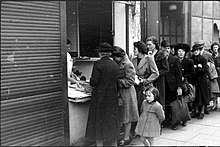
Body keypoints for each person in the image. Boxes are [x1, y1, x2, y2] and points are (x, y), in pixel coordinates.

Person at [85, 42, 120, 146]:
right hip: (112, 98)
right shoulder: (115, 64)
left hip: (100, 98)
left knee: (98, 124)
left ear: (100, 53)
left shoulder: (98, 64)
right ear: (109, 53)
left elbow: (94, 82)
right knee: (111, 122)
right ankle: (114, 144)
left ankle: (99, 145)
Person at [111, 46, 139, 146]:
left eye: (115, 57)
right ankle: (123, 136)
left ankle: (126, 138)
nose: (113, 59)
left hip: (127, 93)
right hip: (120, 92)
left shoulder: (128, 64)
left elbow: (130, 81)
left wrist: (117, 82)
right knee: (121, 116)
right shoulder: (118, 63)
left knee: (127, 117)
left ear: (120, 56)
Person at [174, 43, 196, 126]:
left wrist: (184, 77)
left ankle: (184, 118)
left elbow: (193, 73)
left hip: (185, 84)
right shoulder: (174, 61)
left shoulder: (189, 62)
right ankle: (177, 118)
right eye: (179, 51)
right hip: (176, 83)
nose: (180, 53)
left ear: (185, 52)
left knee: (184, 101)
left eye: (182, 51)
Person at [145, 36, 169, 111]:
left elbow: (166, 69)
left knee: (159, 99)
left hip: (159, 81)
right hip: (149, 80)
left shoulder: (161, 54)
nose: (148, 47)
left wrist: (156, 74)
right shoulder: (147, 54)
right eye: (147, 45)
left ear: (155, 44)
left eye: (150, 45)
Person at [163, 41, 183, 130]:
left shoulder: (175, 59)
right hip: (164, 86)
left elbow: (179, 74)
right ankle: (167, 121)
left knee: (174, 105)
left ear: (170, 50)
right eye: (165, 48)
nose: (166, 50)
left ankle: (175, 122)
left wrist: (179, 87)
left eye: (168, 48)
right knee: (166, 104)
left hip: (173, 86)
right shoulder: (160, 59)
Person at [190, 44, 209, 119]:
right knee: (195, 95)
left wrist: (200, 68)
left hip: (202, 79)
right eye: (194, 51)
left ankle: (202, 111)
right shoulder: (191, 59)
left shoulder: (203, 58)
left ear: (199, 51)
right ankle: (197, 111)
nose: (195, 52)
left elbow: (205, 69)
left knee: (203, 95)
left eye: (197, 50)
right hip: (194, 79)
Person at [195, 40, 214, 115]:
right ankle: (197, 110)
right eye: (198, 45)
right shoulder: (193, 54)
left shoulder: (208, 54)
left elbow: (212, 64)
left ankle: (205, 108)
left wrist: (210, 75)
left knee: (205, 93)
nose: (200, 46)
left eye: (201, 45)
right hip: (197, 77)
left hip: (204, 75)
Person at [210, 42, 220, 111]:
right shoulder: (211, 56)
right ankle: (215, 103)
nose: (215, 49)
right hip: (214, 74)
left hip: (219, 73)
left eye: (216, 47)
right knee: (215, 89)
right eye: (214, 47)